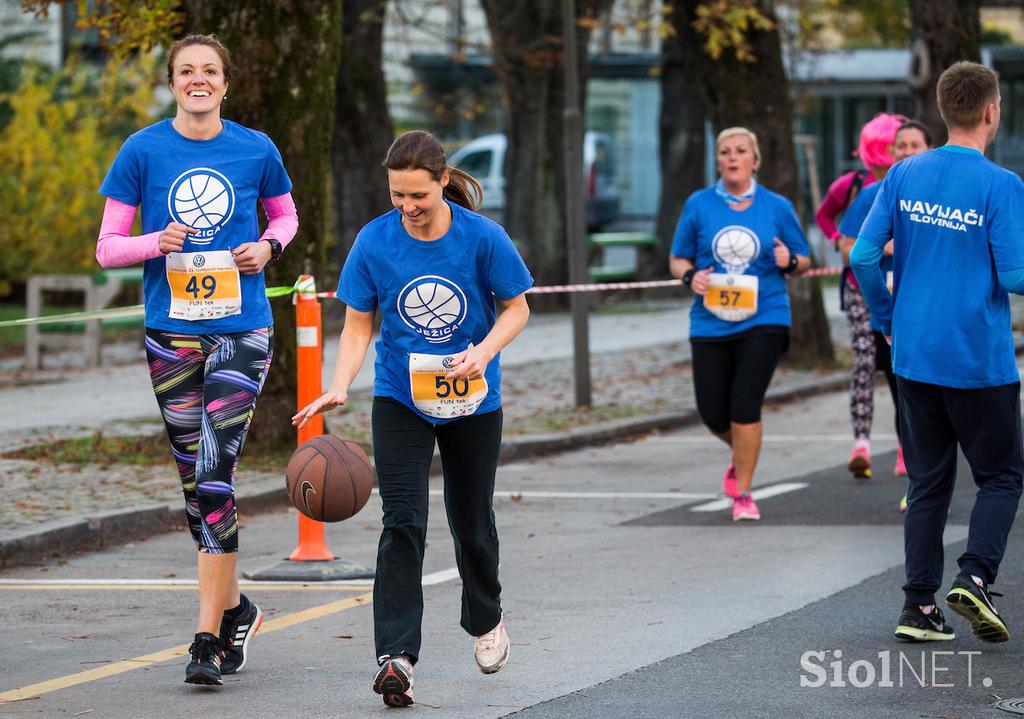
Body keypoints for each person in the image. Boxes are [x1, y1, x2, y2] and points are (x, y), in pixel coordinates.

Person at [292, 129, 532, 708]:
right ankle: (395, 655)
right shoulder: (374, 242)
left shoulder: (482, 238)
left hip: (472, 398)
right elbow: (357, 325)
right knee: (402, 521)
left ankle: (486, 617)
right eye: (397, 195)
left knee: (471, 518)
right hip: (401, 396)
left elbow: (516, 308)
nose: (406, 207)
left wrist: (484, 351)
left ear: (442, 182)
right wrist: (340, 384)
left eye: (417, 195)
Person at [95, 34, 298, 685]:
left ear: (225, 83)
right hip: (171, 333)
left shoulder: (255, 148)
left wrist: (267, 247)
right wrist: (158, 240)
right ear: (173, 81)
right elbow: (107, 248)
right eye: (187, 71)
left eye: (209, 70)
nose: (198, 80)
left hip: (242, 329)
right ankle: (236, 605)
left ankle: (207, 637)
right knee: (195, 481)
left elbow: (286, 218)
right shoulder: (142, 149)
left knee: (216, 472)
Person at [852, 61, 1024, 644]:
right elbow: (1017, 273)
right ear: (991, 111)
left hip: (915, 357)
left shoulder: (902, 174)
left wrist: (886, 318)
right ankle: (974, 577)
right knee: (1001, 476)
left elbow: (862, 257)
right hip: (978, 359)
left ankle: (918, 608)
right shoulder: (1002, 185)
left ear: (946, 111)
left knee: (928, 483)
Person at [670, 127, 810, 522]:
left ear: (755, 160)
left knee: (745, 405)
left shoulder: (777, 206)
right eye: (725, 152)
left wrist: (791, 262)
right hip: (710, 320)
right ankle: (742, 453)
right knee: (713, 412)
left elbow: (804, 257)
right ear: (718, 161)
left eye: (741, 151)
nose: (733, 158)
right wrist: (689, 277)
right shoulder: (698, 205)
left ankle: (744, 492)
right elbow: (678, 258)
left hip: (765, 315)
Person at [839, 120, 933, 508]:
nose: (907, 151)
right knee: (900, 388)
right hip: (882, 305)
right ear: (890, 153)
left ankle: (922, 479)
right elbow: (849, 248)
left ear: (929, 150)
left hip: (927, 310)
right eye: (901, 146)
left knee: (922, 396)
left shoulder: (938, 199)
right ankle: (918, 482)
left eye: (915, 145)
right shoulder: (874, 194)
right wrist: (885, 248)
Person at [817, 113, 906, 479]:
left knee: (901, 371)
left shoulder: (916, 188)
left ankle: (908, 447)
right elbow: (825, 216)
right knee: (865, 363)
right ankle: (862, 445)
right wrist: (841, 241)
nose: (893, 153)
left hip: (902, 290)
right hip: (860, 287)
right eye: (891, 146)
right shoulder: (857, 186)